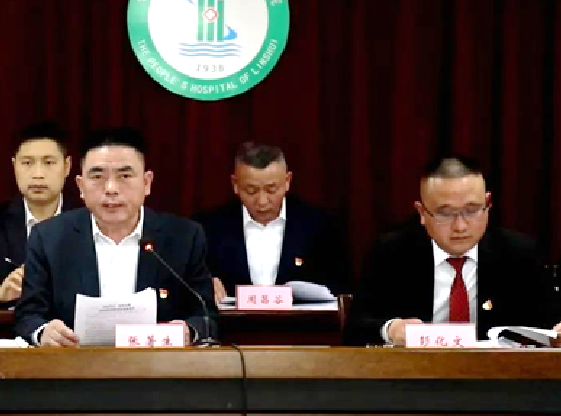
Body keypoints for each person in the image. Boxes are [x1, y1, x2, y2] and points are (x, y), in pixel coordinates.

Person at [14, 127, 217, 346]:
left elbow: (206, 315)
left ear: (146, 183)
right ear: (80, 186)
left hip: (157, 364)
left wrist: (189, 331)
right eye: (98, 177)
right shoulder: (49, 238)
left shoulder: (183, 237)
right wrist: (44, 332)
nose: (111, 189)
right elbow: (28, 315)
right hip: (75, 362)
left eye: (125, 176)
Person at [345, 156, 561, 346]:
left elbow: (548, 322)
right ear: (422, 212)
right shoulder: (391, 253)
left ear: (488, 204)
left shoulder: (519, 253)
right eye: (445, 214)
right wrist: (391, 330)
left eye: (472, 210)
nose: (460, 226)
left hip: (499, 375)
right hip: (415, 375)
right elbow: (355, 329)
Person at [194, 142, 348, 303]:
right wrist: (205, 285)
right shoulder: (207, 228)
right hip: (230, 319)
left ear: (287, 181)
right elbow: (189, 283)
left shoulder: (320, 226)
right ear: (235, 185)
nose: (262, 201)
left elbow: (341, 287)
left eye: (271, 190)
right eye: (251, 191)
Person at [0, 121, 77, 308]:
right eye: (27, 163)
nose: (38, 174)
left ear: (67, 166)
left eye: (49, 163)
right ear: (14, 165)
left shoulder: (87, 220)